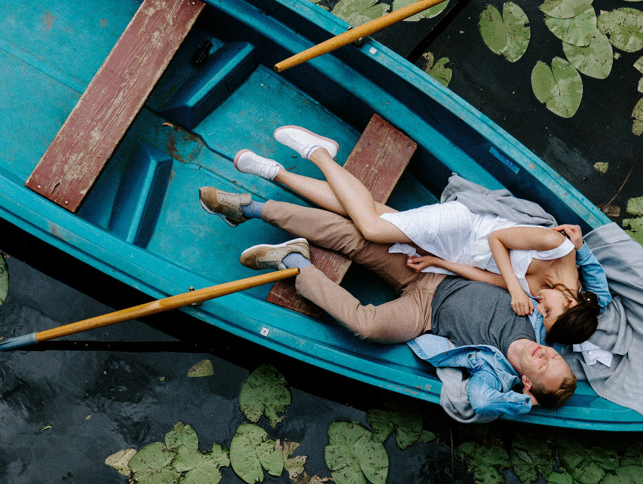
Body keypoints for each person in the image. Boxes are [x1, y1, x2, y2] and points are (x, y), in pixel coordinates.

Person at [199, 125, 610, 346]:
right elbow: (498, 244)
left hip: (453, 255)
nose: (542, 309)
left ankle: (277, 175)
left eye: (546, 317)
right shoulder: (560, 247)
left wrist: (438, 263)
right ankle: (319, 153)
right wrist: (518, 293)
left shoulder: (548, 294)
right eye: (552, 310)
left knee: (361, 211)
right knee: (371, 227)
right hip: (465, 227)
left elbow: (488, 278)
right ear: (572, 299)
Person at [200, 195, 577, 416]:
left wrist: (523, 403)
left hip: (424, 314)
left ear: (527, 382)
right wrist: (576, 245)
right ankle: (252, 208)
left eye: (543, 365)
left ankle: (293, 261)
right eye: (555, 357)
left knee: (369, 327)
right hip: (440, 270)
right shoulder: (540, 321)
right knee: (352, 238)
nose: (546, 354)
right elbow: (588, 294)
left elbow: (478, 401)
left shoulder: (495, 377)